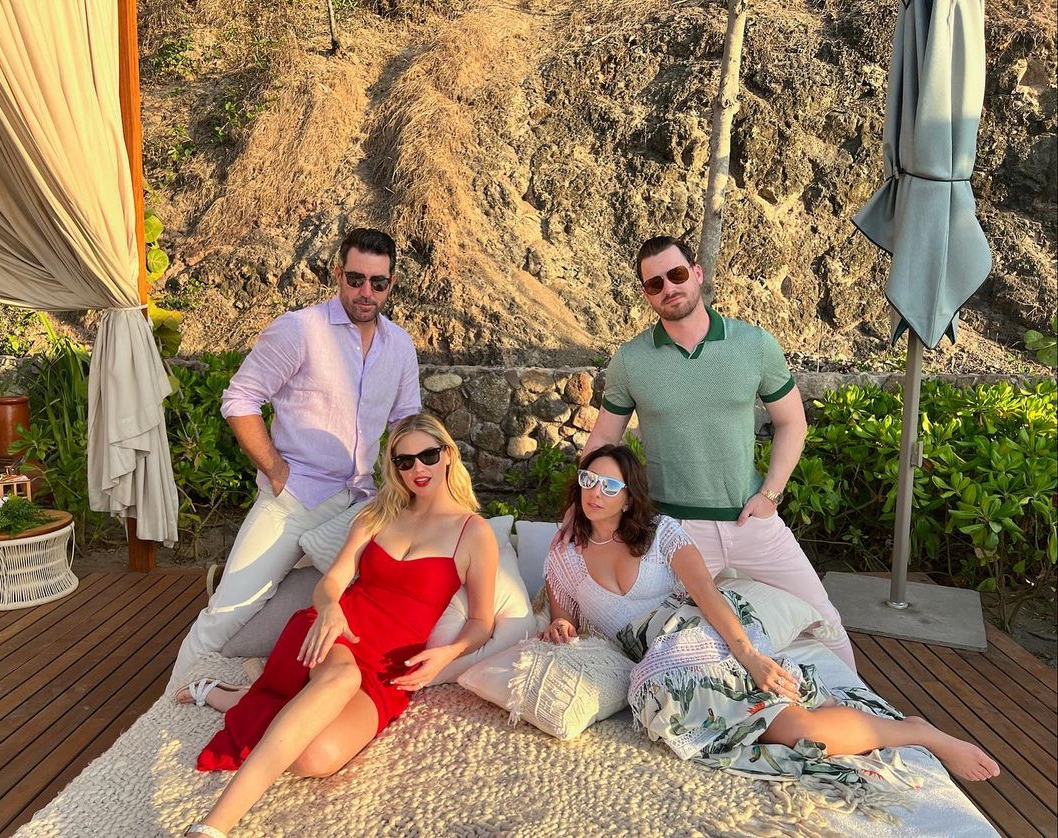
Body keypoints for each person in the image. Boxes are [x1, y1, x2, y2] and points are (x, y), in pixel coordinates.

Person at [542, 445, 999, 795]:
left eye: (610, 486)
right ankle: (913, 731)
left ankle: (921, 734)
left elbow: (707, 595)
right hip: (660, 670)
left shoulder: (663, 532)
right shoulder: (564, 553)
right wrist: (560, 626)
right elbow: (564, 618)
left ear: (629, 498)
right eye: (588, 480)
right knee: (797, 733)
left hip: (706, 635)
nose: (595, 493)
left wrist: (750, 656)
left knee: (798, 723)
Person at [181, 413, 499, 838]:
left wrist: (449, 653)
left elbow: (481, 621)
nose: (418, 469)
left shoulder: (475, 533)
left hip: (388, 667)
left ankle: (240, 696)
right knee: (341, 678)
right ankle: (211, 826)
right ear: (394, 467)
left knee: (315, 757)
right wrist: (329, 606)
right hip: (334, 631)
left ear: (448, 455)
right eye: (405, 461)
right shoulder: (378, 514)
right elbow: (331, 582)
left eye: (427, 455)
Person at [579, 235, 856, 669]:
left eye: (676, 274)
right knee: (664, 642)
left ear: (697, 273)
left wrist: (771, 494)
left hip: (752, 522)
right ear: (646, 294)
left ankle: (858, 705)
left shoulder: (754, 345)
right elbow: (602, 441)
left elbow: (792, 422)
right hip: (675, 532)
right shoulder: (631, 361)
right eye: (655, 283)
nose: (669, 288)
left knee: (824, 621)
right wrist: (577, 510)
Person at [171, 228, 422, 685]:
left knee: (392, 591)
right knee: (228, 611)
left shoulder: (400, 347)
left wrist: (414, 494)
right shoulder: (300, 329)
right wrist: (276, 470)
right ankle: (171, 703)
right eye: (356, 279)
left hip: (361, 501)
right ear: (337, 274)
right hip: (295, 498)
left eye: (378, 283)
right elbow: (240, 399)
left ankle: (328, 690)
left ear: (392, 283)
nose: (366, 292)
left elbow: (407, 426)